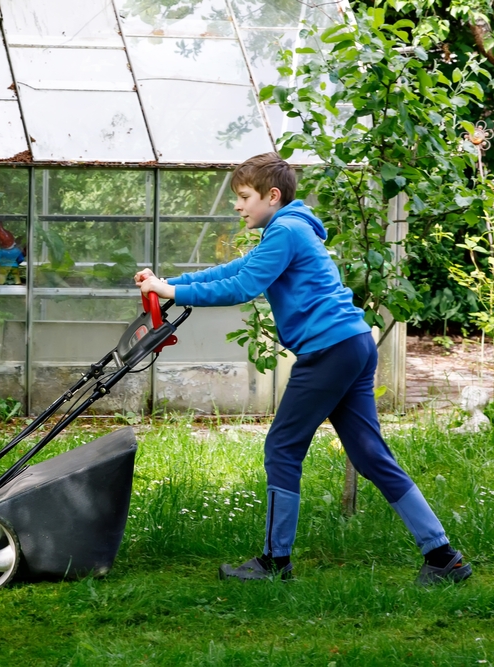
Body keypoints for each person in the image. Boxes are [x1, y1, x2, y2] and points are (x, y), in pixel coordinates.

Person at [135, 152, 471, 585]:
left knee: (282, 447)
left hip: (330, 351)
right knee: (370, 454)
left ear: (272, 196)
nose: (237, 206)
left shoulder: (286, 232)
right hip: (352, 344)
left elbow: (242, 286)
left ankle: (275, 563)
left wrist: (172, 291)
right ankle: (445, 559)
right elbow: (238, 269)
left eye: (243, 197)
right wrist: (171, 284)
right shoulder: (289, 230)